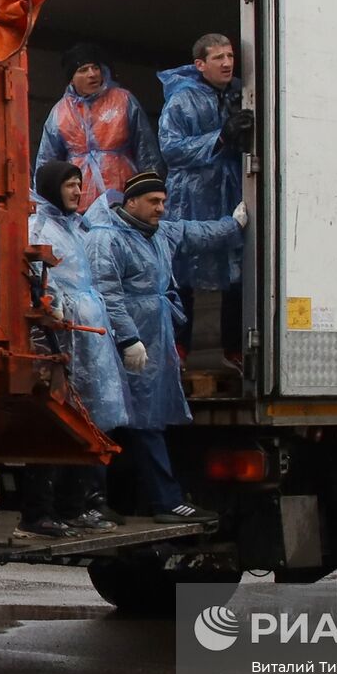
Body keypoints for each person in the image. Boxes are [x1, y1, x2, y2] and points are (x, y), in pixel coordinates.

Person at [84, 171, 247, 523]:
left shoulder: (158, 233)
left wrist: (232, 225)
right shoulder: (107, 239)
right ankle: (94, 502)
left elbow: (193, 232)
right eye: (154, 202)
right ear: (131, 202)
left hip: (151, 342)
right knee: (105, 420)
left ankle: (161, 501)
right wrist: (127, 338)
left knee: (147, 421)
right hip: (116, 346)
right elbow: (107, 294)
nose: (161, 208)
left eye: (163, 201)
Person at [15, 161, 126, 538]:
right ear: (51, 188)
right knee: (55, 426)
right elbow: (37, 279)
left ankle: (72, 507)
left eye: (80, 185)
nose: (79, 192)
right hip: (59, 341)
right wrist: (52, 313)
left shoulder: (72, 227)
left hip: (85, 340)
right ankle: (37, 512)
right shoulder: (39, 227)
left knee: (83, 424)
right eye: (70, 185)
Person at [157, 33, 254, 369]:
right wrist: (222, 136)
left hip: (229, 189)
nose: (227, 63)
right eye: (218, 58)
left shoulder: (242, 93)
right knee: (184, 271)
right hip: (191, 194)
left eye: (229, 56)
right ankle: (179, 348)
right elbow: (171, 149)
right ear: (200, 65)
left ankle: (235, 347)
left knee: (236, 268)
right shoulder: (181, 100)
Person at [35, 43, 163, 213]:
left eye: (95, 67)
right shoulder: (60, 112)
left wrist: (152, 192)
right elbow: (47, 164)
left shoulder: (123, 100)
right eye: (83, 70)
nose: (92, 74)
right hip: (79, 203)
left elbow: (147, 152)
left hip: (122, 197)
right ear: (71, 78)